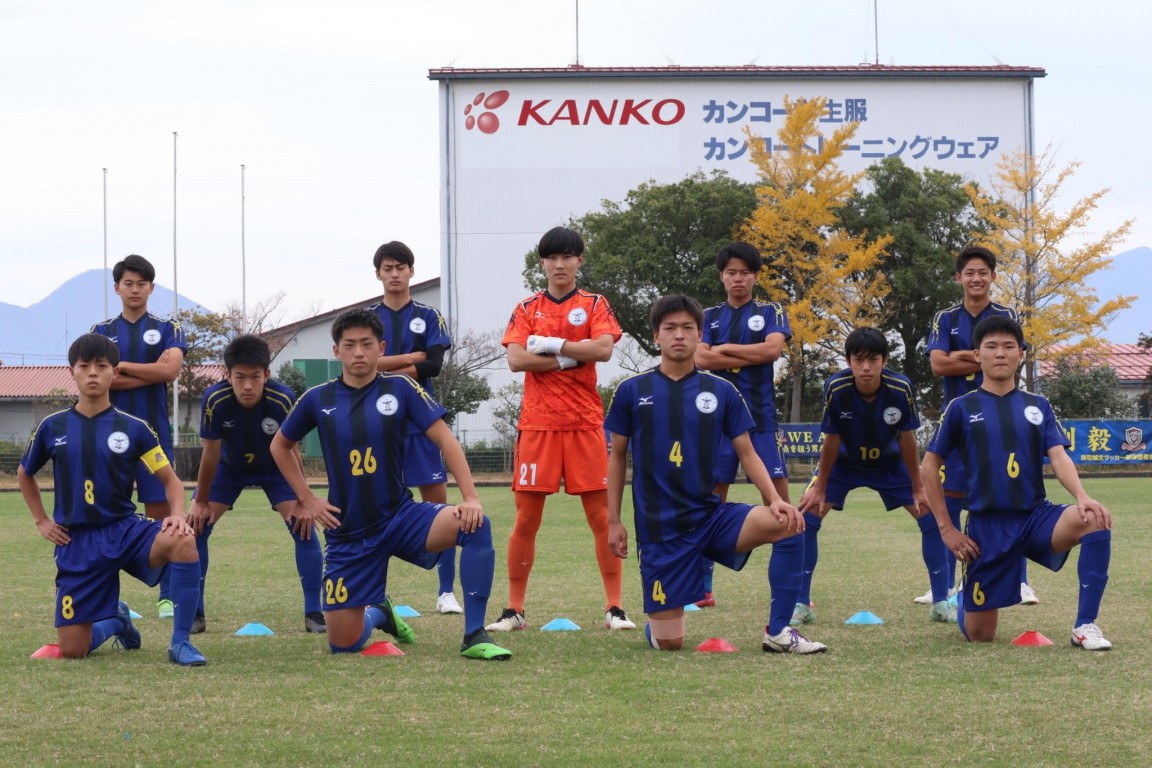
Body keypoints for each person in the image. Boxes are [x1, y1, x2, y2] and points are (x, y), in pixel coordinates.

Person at [269, 309, 510, 660]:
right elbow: (280, 445)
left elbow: (446, 440)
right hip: (348, 533)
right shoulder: (317, 398)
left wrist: (470, 497)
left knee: (476, 525)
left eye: (367, 344)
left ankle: (474, 634)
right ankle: (380, 612)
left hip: (401, 517)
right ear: (336, 351)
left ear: (381, 348)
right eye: (349, 345)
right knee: (343, 644)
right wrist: (307, 499)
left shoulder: (401, 387)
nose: (359, 353)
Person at [605, 295, 825, 653]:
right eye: (670, 328)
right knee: (670, 643)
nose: (679, 335)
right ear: (656, 336)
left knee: (791, 523)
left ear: (699, 334)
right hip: (662, 533)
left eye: (687, 328)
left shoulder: (721, 390)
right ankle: (658, 620)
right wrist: (613, 521)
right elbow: (616, 459)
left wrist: (775, 500)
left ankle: (779, 632)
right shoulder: (632, 391)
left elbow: (748, 453)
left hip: (710, 517)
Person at [921, 316, 1112, 649]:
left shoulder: (1038, 406)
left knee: (1094, 519)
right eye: (991, 346)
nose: (1000, 353)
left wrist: (1082, 495)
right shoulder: (960, 408)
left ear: (1021, 354)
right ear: (977, 355)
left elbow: (1058, 456)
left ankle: (1085, 626)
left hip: (1035, 518)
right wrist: (946, 529)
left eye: (1009, 346)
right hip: (986, 528)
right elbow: (930, 464)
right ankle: (970, 592)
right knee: (981, 636)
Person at [17, 333, 205, 665]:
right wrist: (42, 520)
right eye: (84, 366)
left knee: (184, 540)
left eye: (101, 366)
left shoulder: (134, 428)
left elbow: (171, 481)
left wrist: (177, 514)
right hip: (77, 541)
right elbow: (25, 473)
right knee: (74, 649)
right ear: (71, 371)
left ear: (114, 372)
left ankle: (180, 643)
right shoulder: (51, 427)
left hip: (125, 531)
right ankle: (117, 620)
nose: (92, 372)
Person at [487, 226, 635, 633]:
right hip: (537, 427)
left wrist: (550, 345)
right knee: (526, 520)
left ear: (579, 262)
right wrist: (572, 356)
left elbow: (603, 349)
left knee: (602, 517)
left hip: (586, 424)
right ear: (542, 264)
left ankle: (616, 607)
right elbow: (517, 360)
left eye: (567, 256)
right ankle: (514, 609)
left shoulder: (594, 304)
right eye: (551, 258)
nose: (559, 264)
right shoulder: (525, 308)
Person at [795, 328, 954, 626]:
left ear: (884, 360)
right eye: (858, 360)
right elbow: (831, 439)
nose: (866, 367)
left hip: (890, 464)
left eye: (873, 360)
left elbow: (907, 439)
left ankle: (941, 601)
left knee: (930, 516)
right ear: (848, 361)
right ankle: (801, 603)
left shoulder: (901, 387)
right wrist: (820, 487)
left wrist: (919, 487)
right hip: (843, 464)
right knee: (806, 519)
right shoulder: (835, 387)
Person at [186, 334, 325, 634]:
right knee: (195, 528)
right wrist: (199, 500)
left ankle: (315, 612)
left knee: (304, 528)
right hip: (229, 467)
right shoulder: (215, 399)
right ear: (227, 375)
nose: (247, 385)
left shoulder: (284, 398)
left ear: (267, 375)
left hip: (275, 468)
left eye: (255, 377)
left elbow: (292, 450)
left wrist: (303, 502)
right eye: (239, 377)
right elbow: (210, 454)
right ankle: (195, 614)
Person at [923, 245, 1037, 606]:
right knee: (950, 500)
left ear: (993, 277)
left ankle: (1020, 581)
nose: (976, 278)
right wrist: (977, 360)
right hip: (959, 419)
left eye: (983, 272)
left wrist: (963, 356)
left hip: (1002, 418)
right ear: (959, 278)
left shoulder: (1005, 313)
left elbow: (1009, 357)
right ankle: (945, 586)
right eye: (969, 272)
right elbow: (938, 365)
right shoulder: (945, 317)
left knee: (1010, 498)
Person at [694, 242, 790, 607]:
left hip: (761, 423)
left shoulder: (771, 310)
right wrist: (731, 354)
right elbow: (701, 358)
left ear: (755, 276)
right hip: (715, 427)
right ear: (722, 276)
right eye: (731, 272)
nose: (738, 278)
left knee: (780, 505)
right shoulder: (708, 315)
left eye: (745, 272)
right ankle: (703, 589)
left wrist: (723, 351)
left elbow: (772, 351)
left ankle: (793, 595)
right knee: (708, 505)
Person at [91, 254, 187, 619]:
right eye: (128, 283)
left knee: (161, 514)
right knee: (104, 515)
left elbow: (172, 370)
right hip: (107, 434)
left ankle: (166, 596)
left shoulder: (168, 328)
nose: (135, 289)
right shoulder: (100, 332)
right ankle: (109, 599)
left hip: (152, 435)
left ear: (151, 287)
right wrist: (153, 371)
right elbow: (101, 378)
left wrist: (124, 367)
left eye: (141, 283)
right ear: (117, 288)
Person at [368, 241, 461, 615]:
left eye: (400, 267)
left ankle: (445, 592)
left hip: (421, 422)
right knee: (375, 509)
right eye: (387, 268)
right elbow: (362, 363)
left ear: (411, 272)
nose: (394, 274)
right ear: (378, 273)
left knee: (438, 505)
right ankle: (376, 592)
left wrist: (386, 365)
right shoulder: (368, 318)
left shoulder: (428, 315)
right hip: (377, 425)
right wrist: (410, 357)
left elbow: (435, 365)